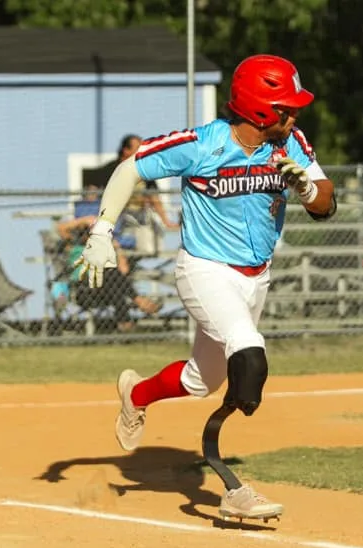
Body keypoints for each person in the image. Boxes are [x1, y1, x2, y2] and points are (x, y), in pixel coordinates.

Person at [75, 54, 337, 521]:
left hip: (256, 276)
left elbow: (326, 204)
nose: (294, 115)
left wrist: (304, 189)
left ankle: (135, 395)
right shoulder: (202, 143)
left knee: (203, 380)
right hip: (205, 269)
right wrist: (102, 230)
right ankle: (230, 486)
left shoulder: (291, 142)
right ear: (258, 109)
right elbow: (132, 167)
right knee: (249, 354)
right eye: (284, 107)